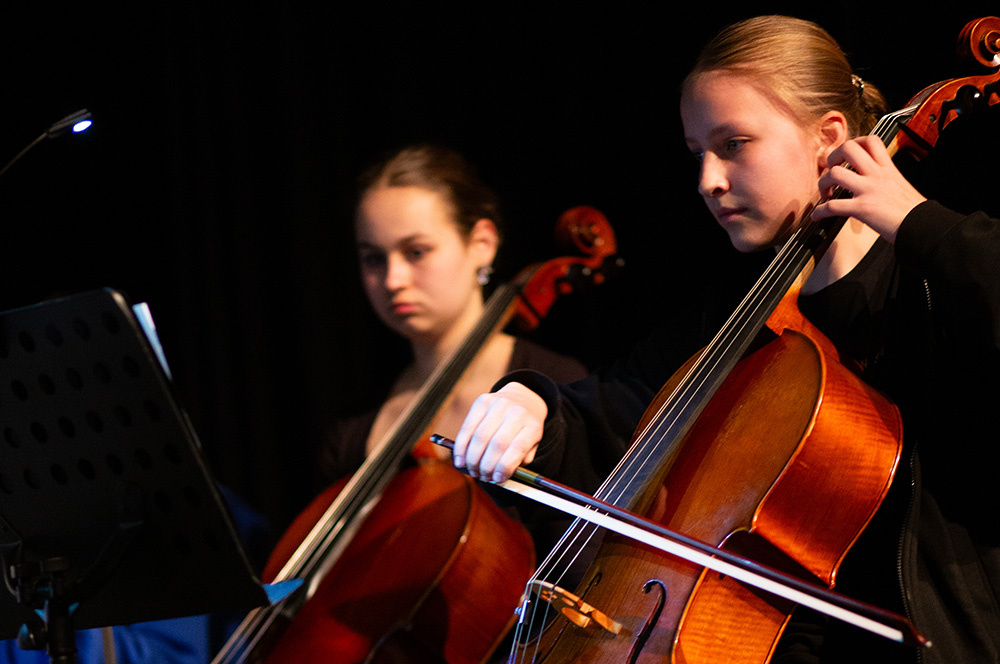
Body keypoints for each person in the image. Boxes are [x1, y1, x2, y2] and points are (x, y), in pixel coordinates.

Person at [452, 15, 1000, 664]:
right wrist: (531, 404)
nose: (708, 180)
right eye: (698, 154)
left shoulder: (933, 282)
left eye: (734, 144)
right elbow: (612, 408)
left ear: (828, 139)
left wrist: (919, 223)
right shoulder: (734, 318)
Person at [318, 143, 586, 548]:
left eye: (416, 252)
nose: (392, 280)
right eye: (374, 258)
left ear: (482, 243)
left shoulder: (556, 386)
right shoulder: (353, 429)